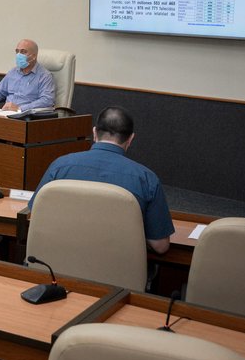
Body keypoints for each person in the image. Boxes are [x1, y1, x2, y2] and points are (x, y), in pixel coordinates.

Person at [28, 106, 174, 253]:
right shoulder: (147, 179)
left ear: (94, 133)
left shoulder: (59, 167)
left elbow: (36, 214)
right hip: (115, 272)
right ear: (130, 139)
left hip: (55, 266)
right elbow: (160, 246)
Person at [0, 38, 55, 111]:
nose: (19, 55)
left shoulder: (45, 76)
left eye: (23, 52)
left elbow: (47, 100)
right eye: (17, 51)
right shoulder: (13, 72)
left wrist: (20, 108)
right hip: (5, 114)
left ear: (34, 56)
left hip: (26, 117)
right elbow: (0, 91)